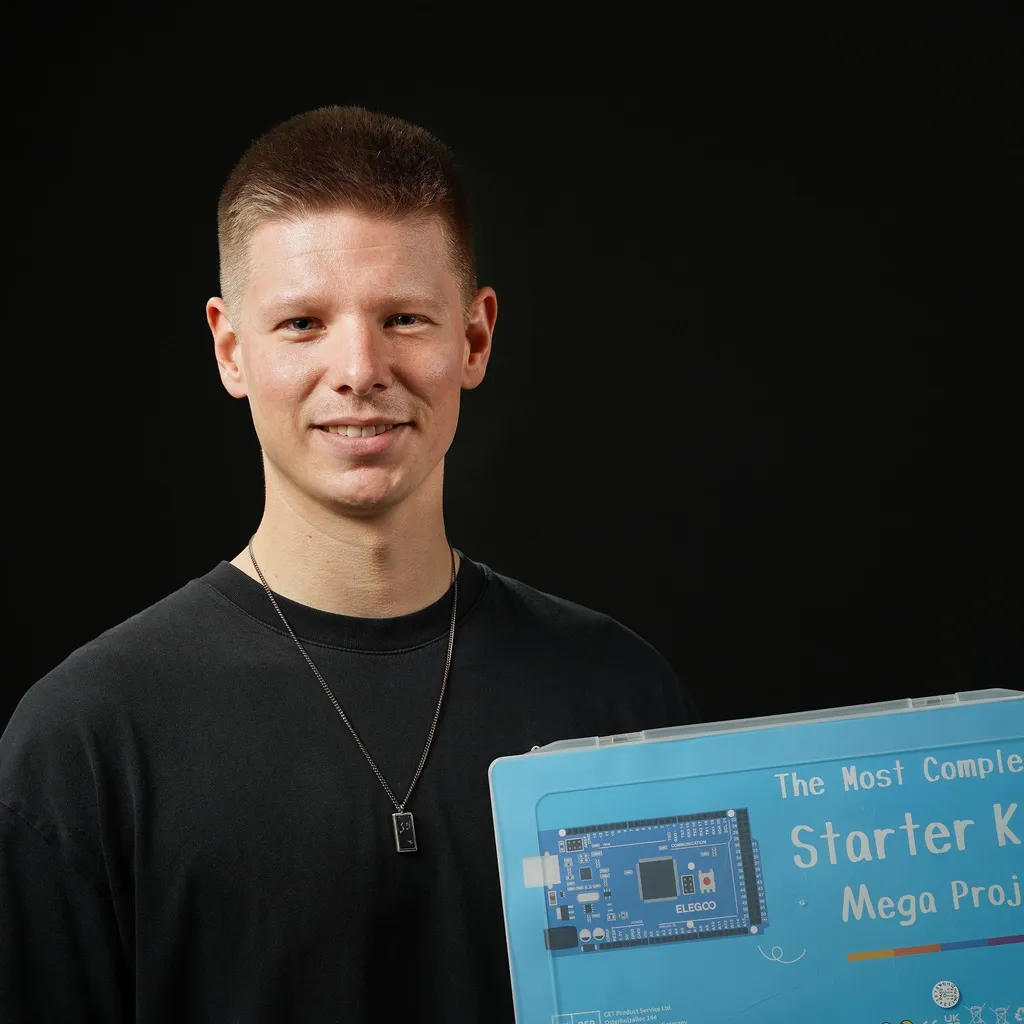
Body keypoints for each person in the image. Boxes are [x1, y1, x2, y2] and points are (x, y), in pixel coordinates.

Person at [0, 105, 698, 1023]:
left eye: (404, 317)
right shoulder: (83, 743)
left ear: (474, 339)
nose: (360, 368)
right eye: (302, 324)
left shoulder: (619, 699)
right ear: (230, 349)